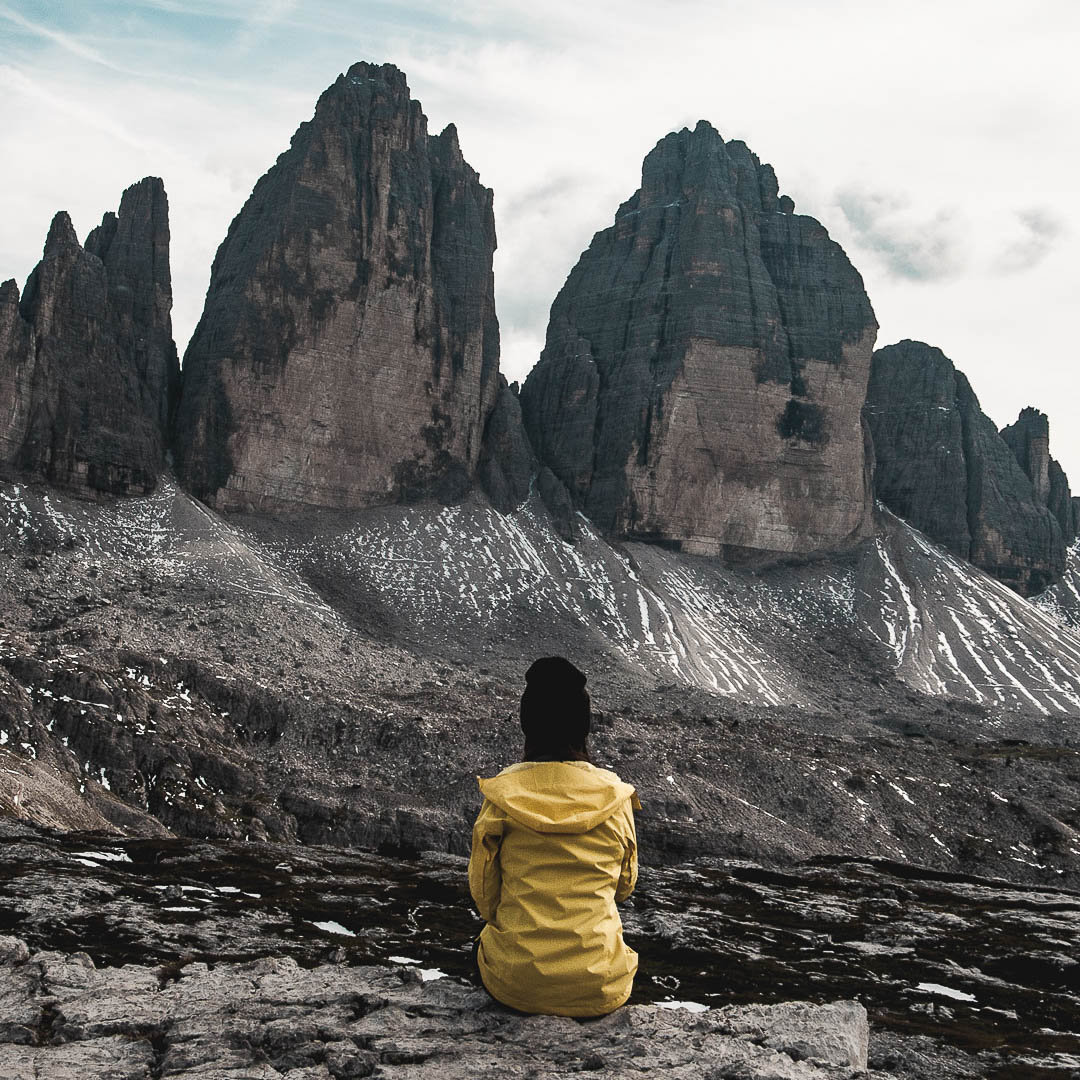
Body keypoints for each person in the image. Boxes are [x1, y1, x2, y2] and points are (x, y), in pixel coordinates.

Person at [468, 656, 640, 1017]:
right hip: (600, 986)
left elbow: (485, 898)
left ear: (528, 724)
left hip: (516, 985)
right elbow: (623, 888)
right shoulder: (615, 796)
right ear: (583, 727)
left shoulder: (501, 796)